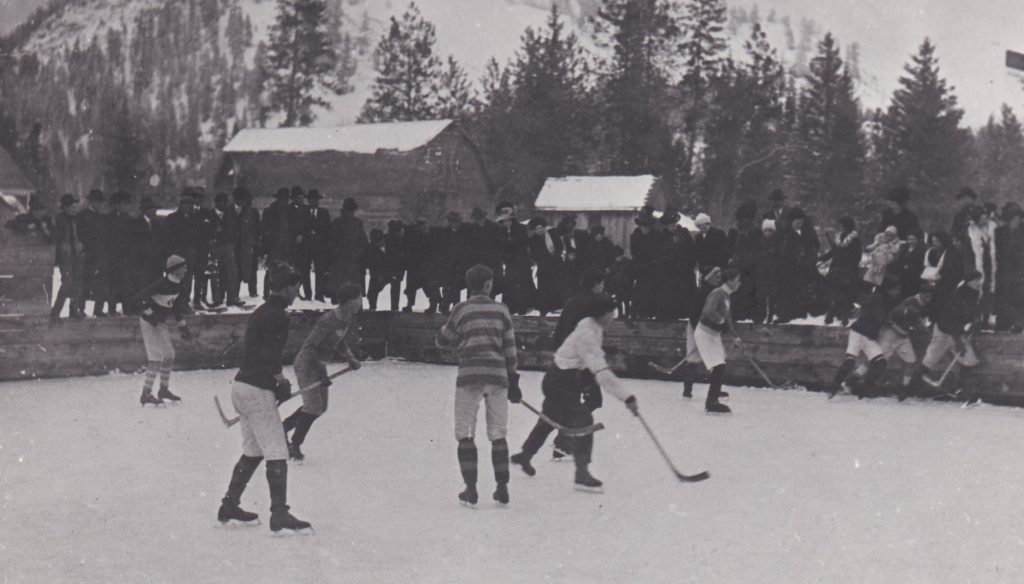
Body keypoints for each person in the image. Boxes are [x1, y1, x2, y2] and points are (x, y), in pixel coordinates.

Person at [216, 262, 312, 534]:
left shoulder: (262, 311)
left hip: (242, 387)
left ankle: (229, 505)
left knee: (254, 450)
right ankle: (279, 514)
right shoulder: (278, 315)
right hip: (256, 390)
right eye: (296, 286)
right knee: (277, 450)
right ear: (285, 286)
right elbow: (268, 355)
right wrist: (278, 379)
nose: (297, 292)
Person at [509, 295, 639, 489]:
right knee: (584, 421)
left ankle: (525, 455)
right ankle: (582, 472)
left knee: (548, 419)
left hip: (565, 378)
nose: (613, 318)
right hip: (559, 380)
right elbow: (600, 371)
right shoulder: (587, 333)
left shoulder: (594, 327)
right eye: (612, 313)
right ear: (602, 315)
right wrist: (627, 397)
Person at [435, 264, 520, 506]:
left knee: (465, 433)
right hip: (498, 376)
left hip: (469, 375)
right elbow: (510, 348)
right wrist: (513, 378)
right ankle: (502, 487)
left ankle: (470, 489)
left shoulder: (461, 310)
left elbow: (443, 340)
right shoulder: (501, 310)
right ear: (488, 284)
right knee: (498, 433)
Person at [282, 282, 363, 462]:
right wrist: (320, 372)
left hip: (318, 365)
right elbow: (311, 347)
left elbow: (339, 341)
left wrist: (350, 358)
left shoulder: (346, 318)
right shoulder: (327, 320)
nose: (361, 301)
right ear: (350, 301)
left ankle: (281, 430)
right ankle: (294, 445)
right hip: (307, 364)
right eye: (359, 298)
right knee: (313, 407)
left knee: (320, 408)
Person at [130, 255, 194, 406]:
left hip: (160, 324)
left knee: (169, 355)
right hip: (148, 323)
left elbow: (176, 308)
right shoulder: (162, 284)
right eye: (183, 267)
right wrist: (151, 316)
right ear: (175, 269)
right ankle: (146, 393)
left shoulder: (178, 285)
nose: (185, 269)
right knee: (156, 358)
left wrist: (183, 327)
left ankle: (163, 390)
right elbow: (137, 299)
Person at [829, 280, 900, 398]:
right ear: (889, 289)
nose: (897, 292)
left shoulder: (885, 300)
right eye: (895, 289)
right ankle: (833, 389)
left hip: (868, 336)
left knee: (880, 363)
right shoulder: (877, 299)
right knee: (850, 360)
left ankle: (864, 390)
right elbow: (879, 316)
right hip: (858, 333)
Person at [920, 270, 983, 393]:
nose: (979, 283)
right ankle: (909, 390)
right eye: (976, 280)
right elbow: (951, 319)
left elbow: (972, 311)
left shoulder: (975, 293)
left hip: (956, 331)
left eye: (980, 280)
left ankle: (960, 390)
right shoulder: (958, 295)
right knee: (930, 361)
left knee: (970, 360)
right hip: (944, 331)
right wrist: (958, 340)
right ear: (968, 282)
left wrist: (975, 321)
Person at [694, 268, 744, 414]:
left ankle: (715, 390)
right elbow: (709, 312)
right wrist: (720, 321)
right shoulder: (717, 294)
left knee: (720, 363)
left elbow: (727, 319)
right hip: (705, 334)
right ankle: (711, 403)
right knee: (719, 366)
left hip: (713, 334)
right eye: (737, 280)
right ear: (729, 281)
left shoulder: (727, 296)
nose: (739, 283)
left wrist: (735, 336)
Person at [682, 267, 724, 399]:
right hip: (697, 327)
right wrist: (698, 332)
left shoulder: (717, 293)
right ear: (710, 278)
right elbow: (694, 314)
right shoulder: (702, 293)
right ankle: (687, 389)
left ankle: (715, 389)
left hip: (709, 329)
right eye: (716, 278)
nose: (719, 280)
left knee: (715, 358)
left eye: (720, 278)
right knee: (693, 358)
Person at [819, 216, 862, 325]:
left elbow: (857, 257)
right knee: (836, 292)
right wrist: (821, 259)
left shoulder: (855, 239)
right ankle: (834, 313)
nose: (840, 227)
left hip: (848, 270)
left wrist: (847, 263)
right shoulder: (839, 237)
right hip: (836, 269)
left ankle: (842, 315)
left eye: (842, 225)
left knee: (846, 293)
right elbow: (834, 251)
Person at [51, 194, 84, 320]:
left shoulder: (77, 219)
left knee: (77, 283)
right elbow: (55, 237)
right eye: (71, 207)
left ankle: (74, 310)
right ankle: (56, 311)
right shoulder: (60, 220)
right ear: (65, 207)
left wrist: (81, 245)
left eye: (75, 207)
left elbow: (83, 234)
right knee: (67, 283)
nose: (74, 210)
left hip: (77, 254)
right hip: (65, 256)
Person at [327, 197, 367, 301]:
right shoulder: (337, 223)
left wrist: (358, 252)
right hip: (340, 261)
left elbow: (363, 240)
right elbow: (331, 241)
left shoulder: (358, 223)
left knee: (354, 287)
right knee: (339, 288)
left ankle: (355, 305)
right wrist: (337, 253)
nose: (351, 213)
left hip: (354, 261)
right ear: (344, 210)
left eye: (352, 211)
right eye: (349, 210)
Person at [77, 189, 108, 317]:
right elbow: (80, 234)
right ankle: (80, 308)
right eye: (97, 201)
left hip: (100, 253)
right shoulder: (82, 215)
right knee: (86, 281)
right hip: (88, 253)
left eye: (100, 202)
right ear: (91, 201)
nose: (99, 204)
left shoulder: (101, 217)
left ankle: (98, 309)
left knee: (101, 282)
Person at [995, 203, 1024, 332]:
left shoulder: (1022, 231)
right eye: (1016, 217)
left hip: (1019, 269)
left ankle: (1019, 323)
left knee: (1018, 296)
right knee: (1004, 295)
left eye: (1019, 217)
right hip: (1004, 269)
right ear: (1010, 218)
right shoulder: (999, 232)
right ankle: (1003, 322)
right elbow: (996, 251)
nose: (1018, 220)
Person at [209, 193, 241, 308]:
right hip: (215, 247)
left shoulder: (230, 215)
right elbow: (205, 231)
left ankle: (232, 298)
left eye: (225, 202)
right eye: (221, 202)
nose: (224, 204)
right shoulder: (210, 215)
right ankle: (217, 299)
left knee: (232, 272)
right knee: (215, 273)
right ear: (217, 203)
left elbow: (236, 229)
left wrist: (232, 240)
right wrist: (213, 234)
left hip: (228, 246)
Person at [303, 189, 333, 301]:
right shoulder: (303, 212)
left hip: (320, 247)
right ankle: (307, 294)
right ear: (308, 200)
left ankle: (319, 294)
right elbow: (299, 228)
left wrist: (322, 239)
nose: (313, 202)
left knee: (320, 271)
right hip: (306, 247)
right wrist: (307, 233)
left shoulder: (324, 213)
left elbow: (328, 230)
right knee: (305, 271)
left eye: (316, 200)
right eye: (311, 199)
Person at [232, 187, 261, 299]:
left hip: (249, 245)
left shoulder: (253, 212)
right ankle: (235, 292)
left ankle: (253, 291)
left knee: (252, 268)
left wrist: (256, 243)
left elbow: (257, 229)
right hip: (236, 246)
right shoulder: (233, 211)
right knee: (237, 269)